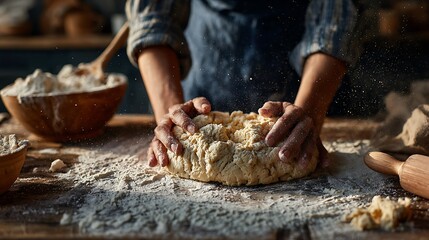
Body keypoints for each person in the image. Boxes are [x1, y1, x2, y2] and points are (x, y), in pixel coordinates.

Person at [126, 0, 357, 169]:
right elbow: (153, 19)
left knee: (293, 146)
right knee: (189, 138)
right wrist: (173, 119)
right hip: (208, 60)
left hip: (306, 79)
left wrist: (308, 112)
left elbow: (334, 23)